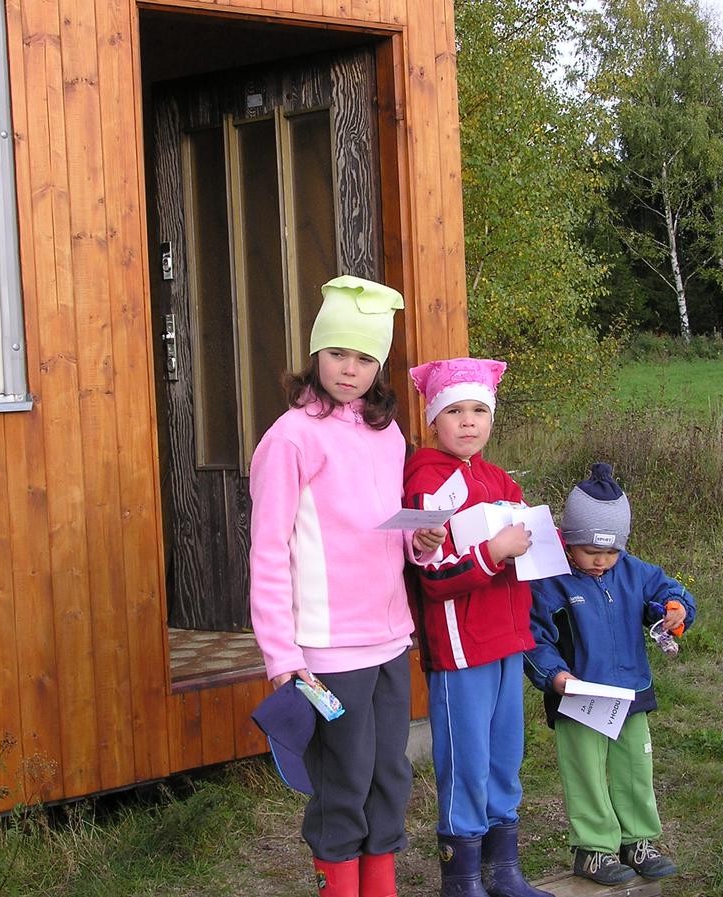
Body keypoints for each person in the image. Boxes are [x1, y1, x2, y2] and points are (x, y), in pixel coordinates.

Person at [249, 275, 444, 897]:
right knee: (343, 781)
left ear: (379, 365)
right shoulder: (289, 438)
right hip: (327, 650)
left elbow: (387, 529)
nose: (350, 369)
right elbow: (268, 552)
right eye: (337, 353)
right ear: (316, 354)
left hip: (389, 639)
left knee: (389, 777)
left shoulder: (388, 435)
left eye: (365, 357)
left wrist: (418, 542)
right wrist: (282, 655)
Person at [402, 357, 552, 897]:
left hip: (508, 640)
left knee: (505, 755)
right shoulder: (426, 479)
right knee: (466, 761)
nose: (468, 421)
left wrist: (545, 539)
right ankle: (462, 877)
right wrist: (495, 550)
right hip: (462, 649)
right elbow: (433, 576)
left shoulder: (498, 477)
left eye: (479, 410)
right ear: (433, 420)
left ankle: (502, 870)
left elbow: (530, 541)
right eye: (455, 411)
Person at [524, 463, 694, 885]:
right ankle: (594, 848)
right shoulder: (549, 583)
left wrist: (675, 609)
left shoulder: (634, 572)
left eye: (611, 552)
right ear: (568, 542)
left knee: (635, 767)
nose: (601, 561)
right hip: (578, 698)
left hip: (631, 692)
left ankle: (637, 840)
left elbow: (669, 591)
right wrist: (555, 676)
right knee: (585, 772)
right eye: (590, 551)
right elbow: (533, 637)